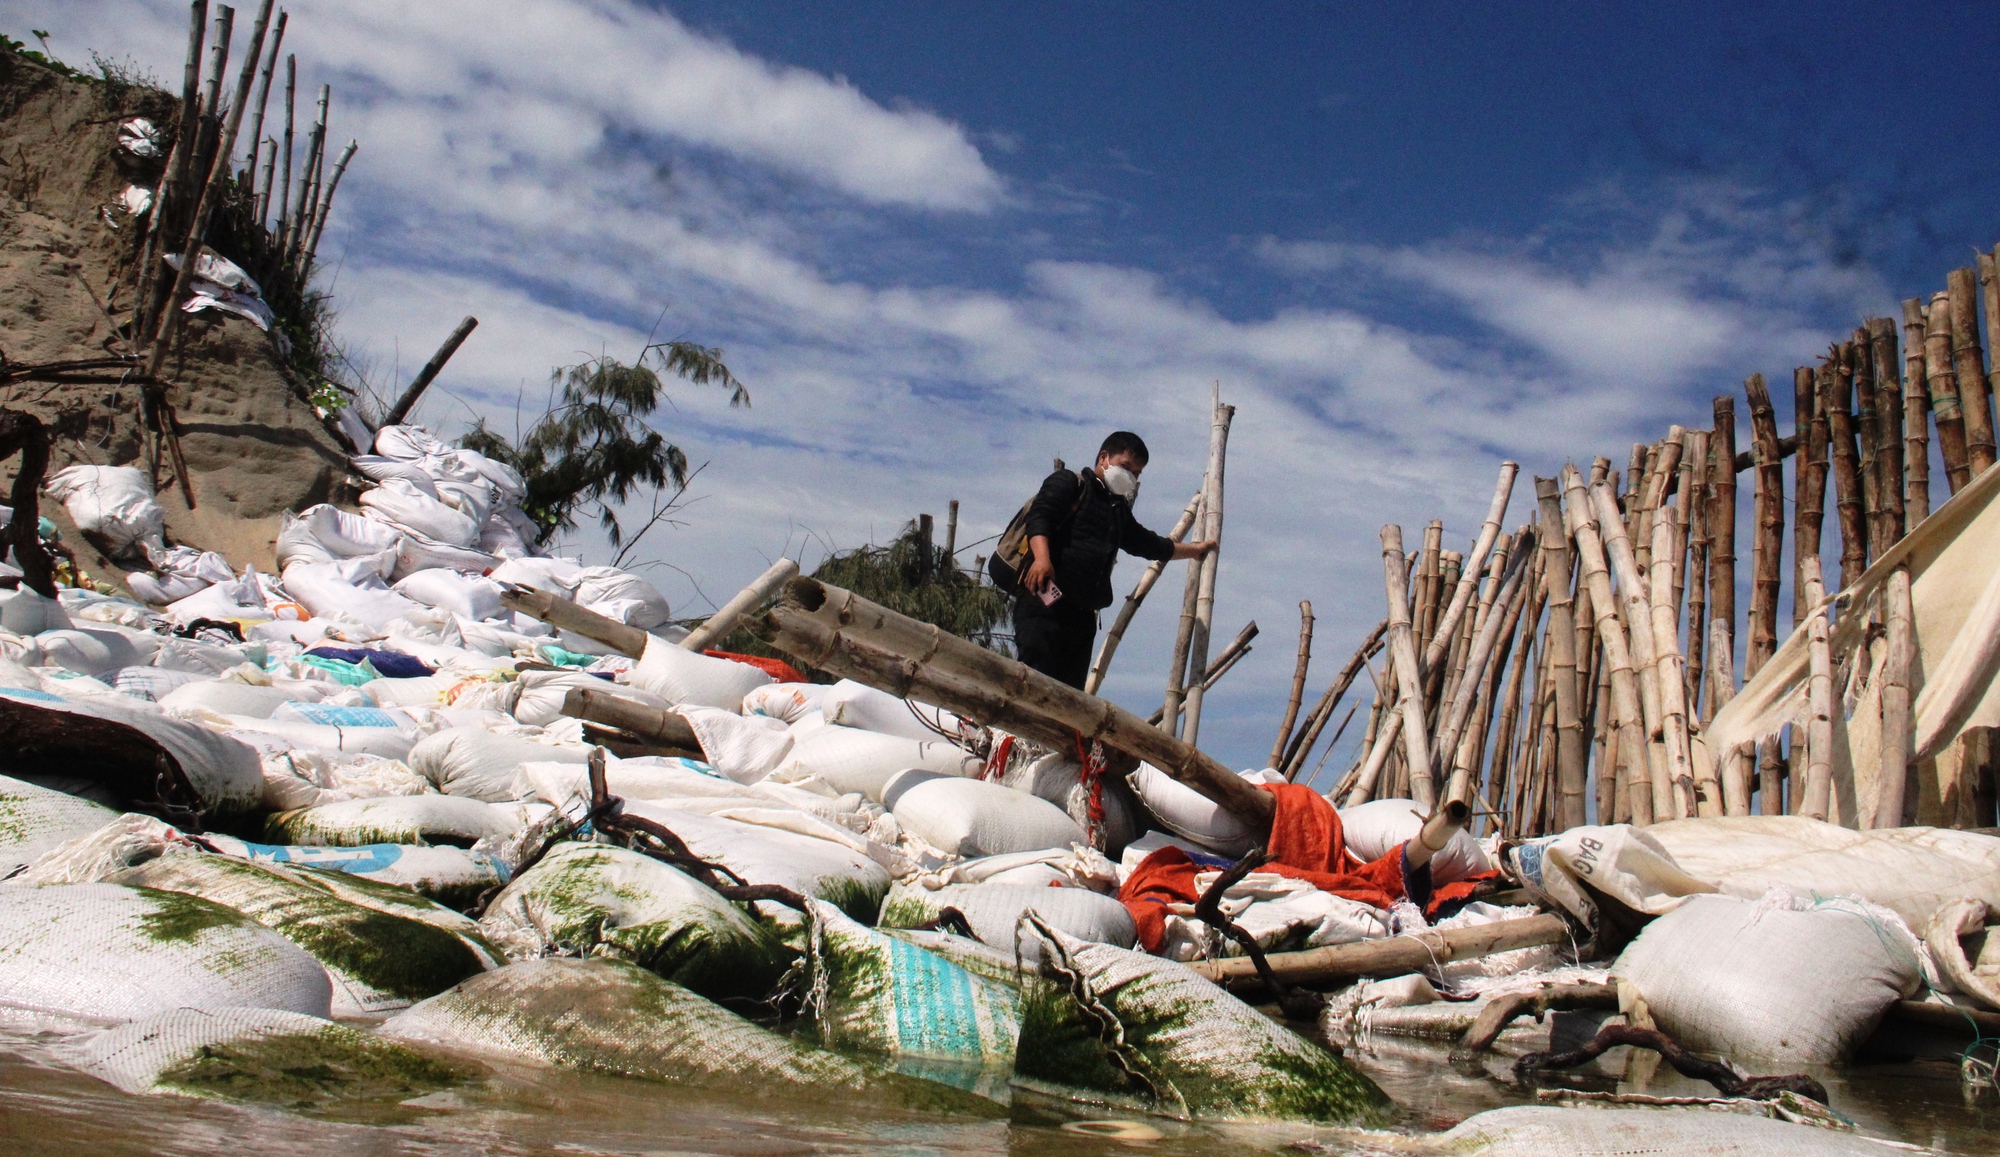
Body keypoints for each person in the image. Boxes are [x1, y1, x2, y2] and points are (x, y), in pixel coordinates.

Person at [1014, 431, 1217, 688]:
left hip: (1083, 617)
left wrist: (1195, 550)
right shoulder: (1069, 482)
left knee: (1068, 696)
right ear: (1104, 458)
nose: (1131, 476)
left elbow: (1151, 544)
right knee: (1033, 682)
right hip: (1043, 603)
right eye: (1126, 467)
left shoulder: (1117, 510)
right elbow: (1039, 517)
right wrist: (1042, 559)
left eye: (1137, 473)